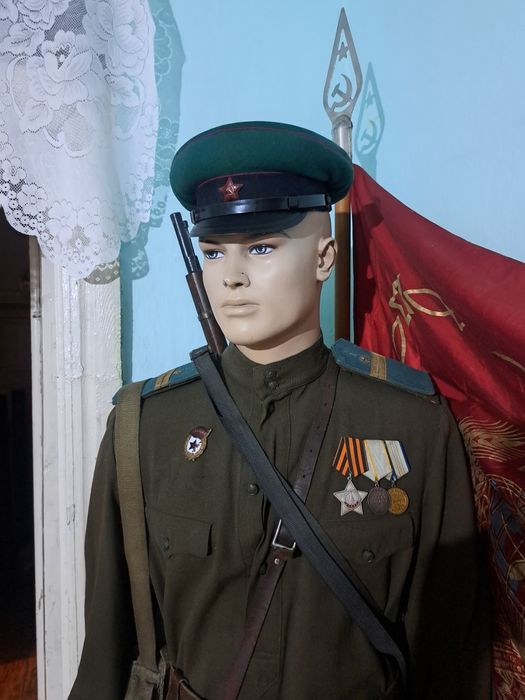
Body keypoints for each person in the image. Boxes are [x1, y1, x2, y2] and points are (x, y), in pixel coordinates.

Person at [69, 122, 490, 699]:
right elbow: (106, 656)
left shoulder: (413, 427)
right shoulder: (142, 429)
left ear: (324, 257)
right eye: (213, 252)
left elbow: (451, 658)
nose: (232, 276)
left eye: (261, 247)